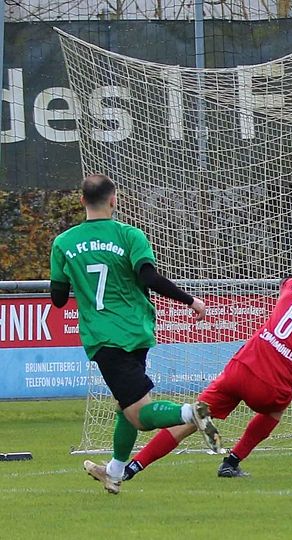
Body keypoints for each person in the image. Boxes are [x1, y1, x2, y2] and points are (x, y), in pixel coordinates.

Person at [121, 253, 292, 480]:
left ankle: (131, 468)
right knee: (275, 411)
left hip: (240, 369)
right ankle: (231, 462)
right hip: (272, 385)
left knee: (195, 417)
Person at [49, 173, 217, 495]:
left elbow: (57, 299)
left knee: (138, 414)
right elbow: (149, 278)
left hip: (105, 338)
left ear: (82, 201)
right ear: (114, 200)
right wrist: (191, 301)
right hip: (137, 331)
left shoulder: (64, 243)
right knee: (124, 405)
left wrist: (76, 275)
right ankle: (114, 472)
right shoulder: (130, 235)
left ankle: (190, 413)